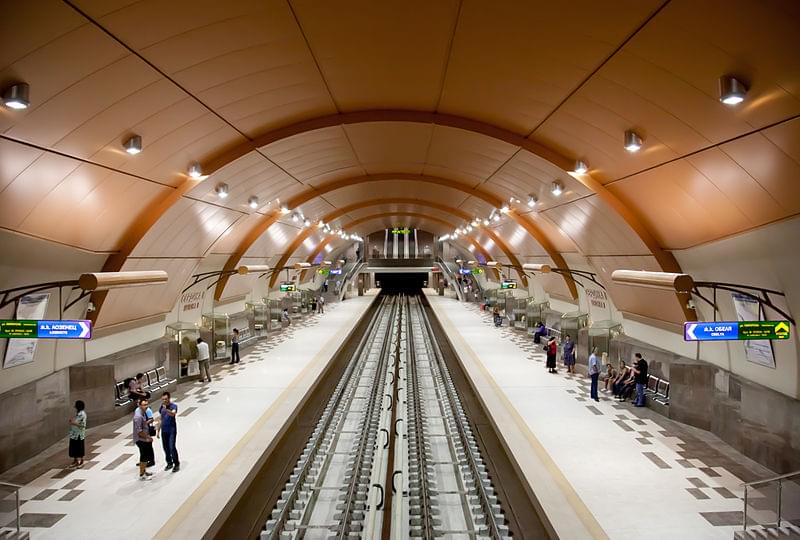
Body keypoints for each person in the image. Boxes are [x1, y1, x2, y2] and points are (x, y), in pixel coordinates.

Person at [158, 392, 179, 472]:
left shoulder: (174, 406)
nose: (164, 401)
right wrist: (158, 429)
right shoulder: (161, 407)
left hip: (171, 430)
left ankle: (176, 463)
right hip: (164, 430)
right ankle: (169, 462)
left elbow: (173, 414)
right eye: (163, 399)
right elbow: (161, 418)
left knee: (172, 447)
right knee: (165, 448)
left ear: (169, 398)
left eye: (166, 399)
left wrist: (166, 409)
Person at [133, 399, 154, 481]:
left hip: (144, 438)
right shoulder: (138, 417)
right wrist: (148, 437)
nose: (146, 406)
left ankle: (144, 471)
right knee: (144, 457)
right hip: (141, 440)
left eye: (146, 404)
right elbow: (139, 432)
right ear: (139, 405)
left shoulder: (143, 414)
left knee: (145, 456)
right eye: (144, 405)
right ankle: (141, 475)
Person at [68, 400, 87, 468]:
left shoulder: (82, 414)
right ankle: (75, 460)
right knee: (74, 448)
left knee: (79, 448)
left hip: (79, 434)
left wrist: (72, 422)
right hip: (74, 434)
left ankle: (81, 461)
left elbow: (81, 424)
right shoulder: (78, 413)